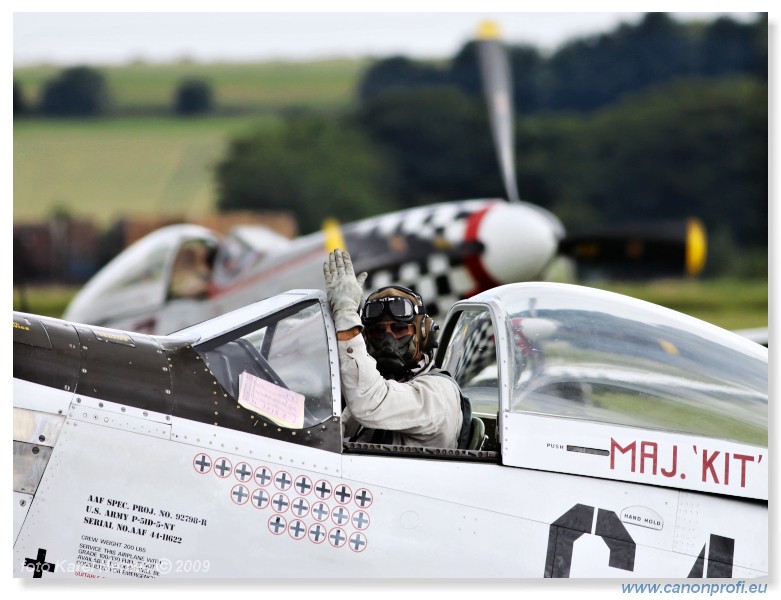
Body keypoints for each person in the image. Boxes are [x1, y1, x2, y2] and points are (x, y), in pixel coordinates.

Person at [323, 249, 467, 448]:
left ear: (424, 333)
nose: (387, 339)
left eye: (400, 329)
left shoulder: (437, 393)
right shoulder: (383, 383)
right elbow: (332, 434)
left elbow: (368, 401)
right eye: (378, 331)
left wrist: (346, 313)